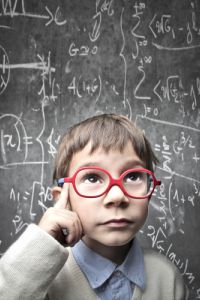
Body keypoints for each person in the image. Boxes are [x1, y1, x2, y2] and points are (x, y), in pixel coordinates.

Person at [0, 113, 187, 300]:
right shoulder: (42, 277)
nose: (117, 196)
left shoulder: (167, 278)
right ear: (63, 200)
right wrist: (38, 246)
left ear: (150, 190)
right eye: (92, 178)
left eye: (132, 177)